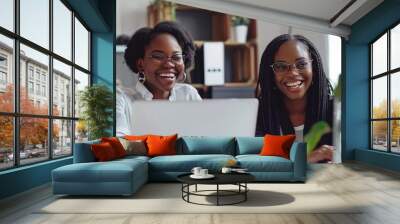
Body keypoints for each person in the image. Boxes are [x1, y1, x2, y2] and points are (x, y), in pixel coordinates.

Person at [255, 34, 334, 163]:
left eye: (301, 64)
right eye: (280, 66)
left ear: (313, 69)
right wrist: (306, 159)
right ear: (271, 75)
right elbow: (258, 165)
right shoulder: (258, 115)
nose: (292, 73)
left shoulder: (336, 110)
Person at [117, 21, 202, 136]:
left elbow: (203, 137)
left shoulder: (188, 94)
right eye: (158, 56)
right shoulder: (122, 99)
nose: (169, 64)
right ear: (140, 64)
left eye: (176, 57)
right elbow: (120, 142)